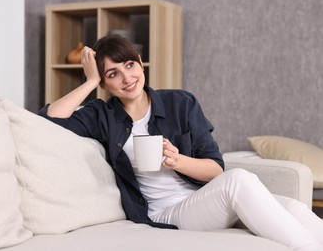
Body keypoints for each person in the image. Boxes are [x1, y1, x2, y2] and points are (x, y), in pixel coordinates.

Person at [39, 34, 323, 251]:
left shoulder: (180, 103)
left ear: (140, 61)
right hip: (165, 213)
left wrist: (178, 161)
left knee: (294, 208)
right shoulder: (102, 115)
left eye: (129, 65)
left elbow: (215, 171)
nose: (127, 78)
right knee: (241, 180)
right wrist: (89, 81)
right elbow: (48, 121)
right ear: (105, 82)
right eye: (113, 74)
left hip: (204, 200)